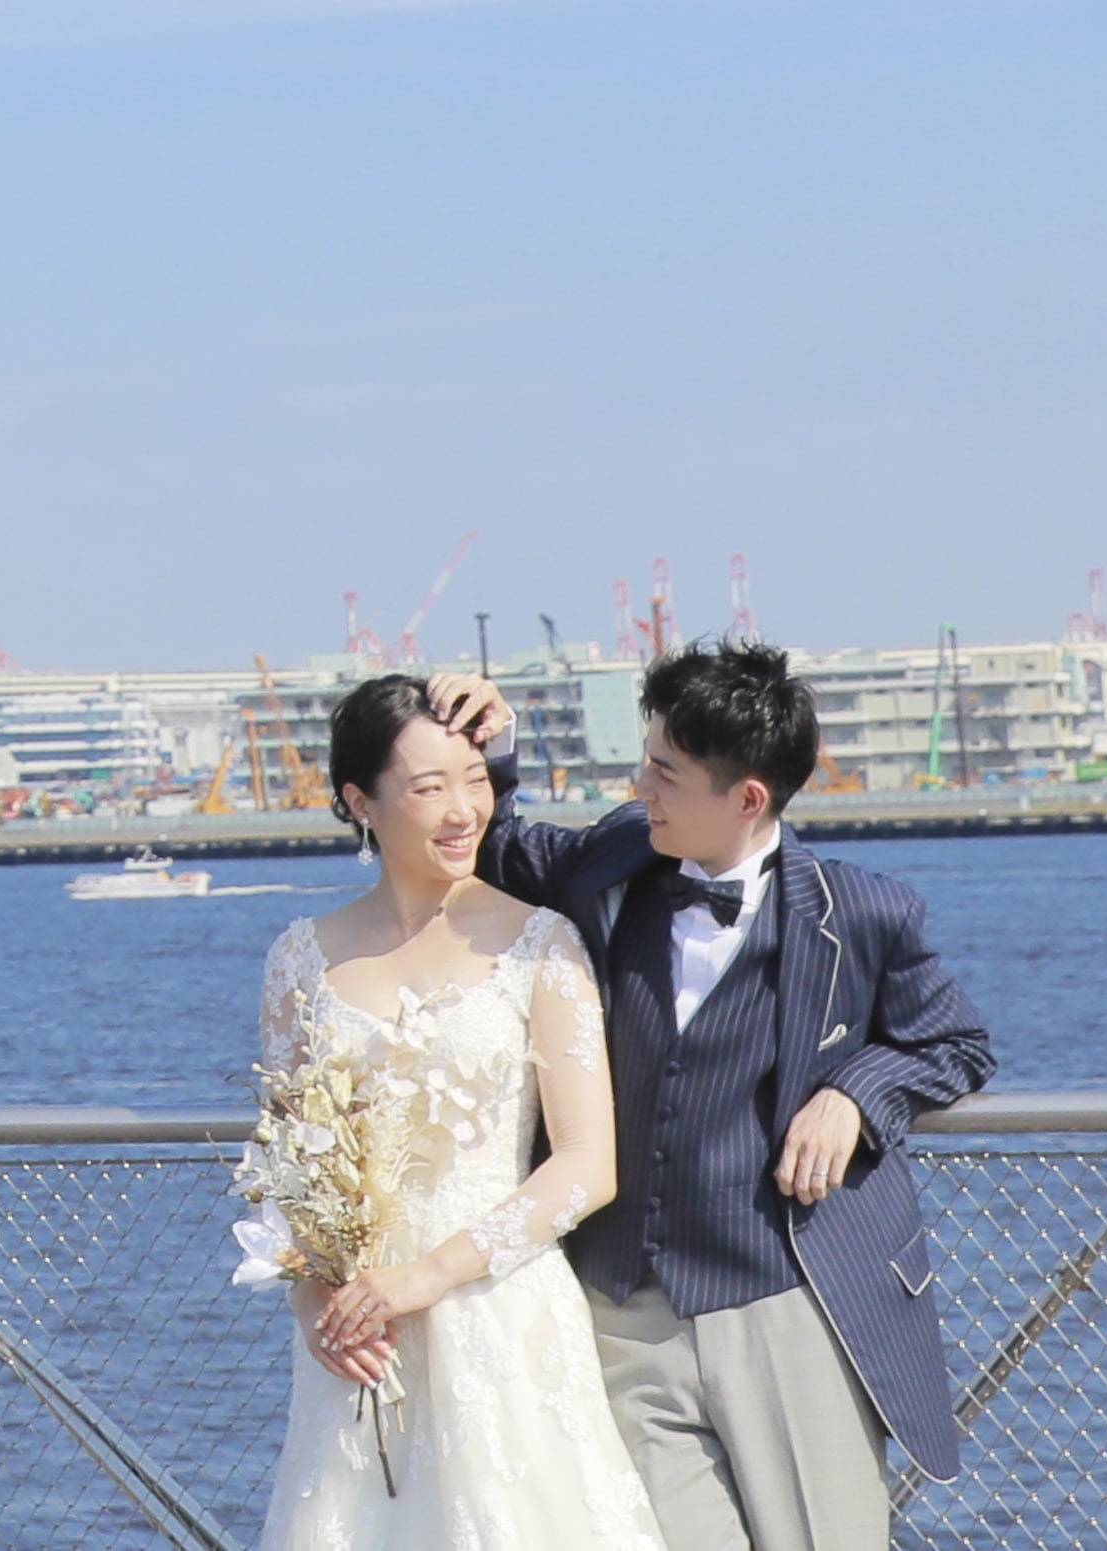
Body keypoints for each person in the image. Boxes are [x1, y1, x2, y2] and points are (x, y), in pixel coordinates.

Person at [406, 648, 990, 1551]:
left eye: (664, 772)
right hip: (620, 1310)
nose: (640, 787)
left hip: (789, 1299)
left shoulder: (864, 912)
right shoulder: (614, 858)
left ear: (747, 797)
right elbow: (503, 850)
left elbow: (954, 1044)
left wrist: (854, 1092)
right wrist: (494, 739)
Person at [247, 672, 672, 1551]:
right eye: (427, 786)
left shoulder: (539, 942)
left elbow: (587, 1165)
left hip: (499, 1309)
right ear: (359, 801)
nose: (461, 810)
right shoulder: (299, 959)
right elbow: (286, 1167)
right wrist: (315, 1304)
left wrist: (430, 1274)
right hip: (358, 1333)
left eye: (474, 780)